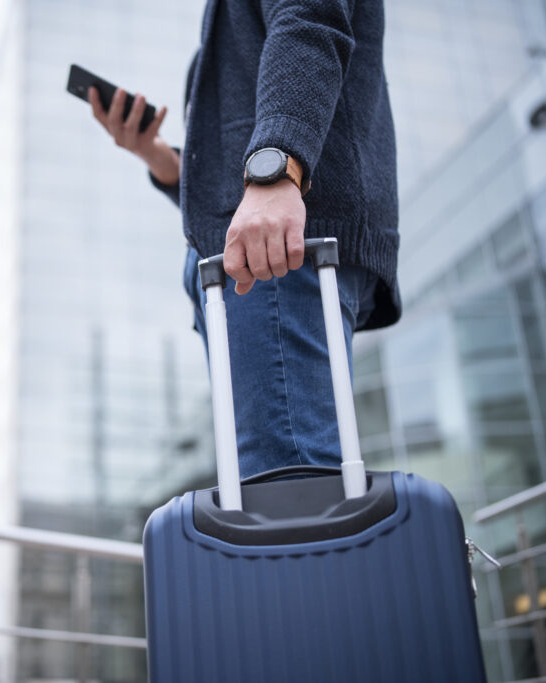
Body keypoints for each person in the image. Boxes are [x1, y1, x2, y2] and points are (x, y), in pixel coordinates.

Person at [88, 0, 400, 477]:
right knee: (275, 488)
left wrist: (278, 168)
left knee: (287, 490)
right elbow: (222, 182)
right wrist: (153, 153)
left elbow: (309, 18)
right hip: (266, 256)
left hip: (275, 257)